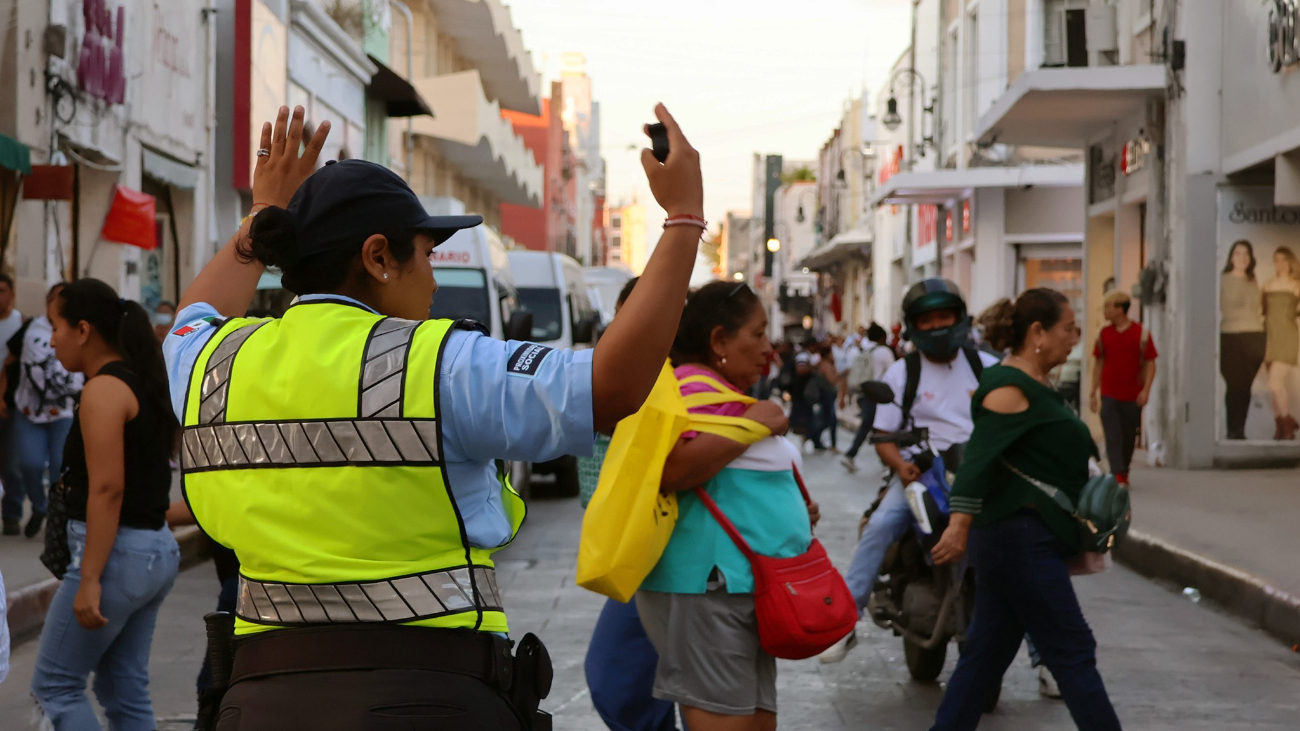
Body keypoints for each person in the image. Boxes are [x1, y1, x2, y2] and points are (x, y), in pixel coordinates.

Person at [164, 104, 704, 729]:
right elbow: (609, 389)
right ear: (378, 256)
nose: (433, 281)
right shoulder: (440, 363)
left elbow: (192, 314)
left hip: (262, 702)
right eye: (425, 254)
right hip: (430, 697)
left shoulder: (212, 363)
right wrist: (683, 220)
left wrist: (261, 218)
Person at [927, 289, 1122, 731]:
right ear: (1038, 332)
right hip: (1019, 539)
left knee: (985, 655)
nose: (1074, 337)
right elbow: (977, 460)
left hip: (1018, 538)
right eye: (1068, 328)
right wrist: (958, 525)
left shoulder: (1033, 383)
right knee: (1072, 649)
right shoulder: (1008, 388)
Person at [637, 280, 814, 731]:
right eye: (757, 333)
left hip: (741, 585)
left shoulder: (718, 394)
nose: (768, 347)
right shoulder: (691, 389)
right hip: (707, 584)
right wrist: (756, 421)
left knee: (757, 722)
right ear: (719, 340)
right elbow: (676, 469)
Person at [819, 279, 998, 664]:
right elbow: (883, 436)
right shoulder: (902, 373)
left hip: (982, 477)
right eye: (927, 319)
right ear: (914, 325)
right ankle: (845, 623)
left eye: (944, 316)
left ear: (959, 318)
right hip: (924, 475)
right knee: (881, 525)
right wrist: (901, 466)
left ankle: (1045, 658)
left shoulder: (989, 368)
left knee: (1025, 547)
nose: (936, 326)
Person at [30, 279, 181, 730]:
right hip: (154, 551)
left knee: (55, 686)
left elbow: (108, 488)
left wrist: (90, 578)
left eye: (55, 326)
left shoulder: (104, 390)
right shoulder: (142, 381)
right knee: (123, 688)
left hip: (116, 556)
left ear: (83, 330)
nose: (51, 340)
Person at [583, 276, 688, 731]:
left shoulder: (681, 385)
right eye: (621, 318)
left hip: (674, 555)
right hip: (639, 552)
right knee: (621, 683)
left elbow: (676, 468)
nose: (623, 331)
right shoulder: (616, 378)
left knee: (622, 682)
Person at [4, 283, 84, 539]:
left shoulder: (81, 329)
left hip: (63, 414)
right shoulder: (31, 329)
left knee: (61, 465)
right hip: (29, 412)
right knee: (30, 464)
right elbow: (11, 362)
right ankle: (39, 507)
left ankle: (55, 513)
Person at [1088, 291, 1156, 483]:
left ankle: (1123, 470)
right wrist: (1093, 392)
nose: (1104, 311)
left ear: (1120, 308)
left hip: (1132, 395)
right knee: (1113, 434)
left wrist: (1146, 390)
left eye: (1107, 307)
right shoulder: (1104, 334)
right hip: (1109, 394)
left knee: (1128, 435)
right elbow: (1098, 363)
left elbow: (1150, 363)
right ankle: (1117, 473)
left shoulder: (1141, 334)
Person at [1220, 240, 1266, 440]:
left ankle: (1240, 430)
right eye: (1238, 253)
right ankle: (1232, 430)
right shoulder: (1223, 279)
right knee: (1234, 384)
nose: (1242, 257)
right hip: (1231, 336)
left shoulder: (1253, 280)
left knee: (1245, 386)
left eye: (1246, 253)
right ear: (1231, 257)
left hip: (1255, 336)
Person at [841, 323, 894, 474]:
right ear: (882, 337)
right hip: (879, 396)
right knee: (878, 427)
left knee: (871, 426)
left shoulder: (862, 350)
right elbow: (894, 372)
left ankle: (884, 461)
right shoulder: (884, 351)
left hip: (864, 394)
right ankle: (885, 461)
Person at [1262, 246, 1300, 440]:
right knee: (1272, 387)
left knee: (1274, 382)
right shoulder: (1267, 284)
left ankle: (1287, 426)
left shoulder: (1296, 285)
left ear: (1291, 261)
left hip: (1287, 336)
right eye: (1277, 259)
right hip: (1269, 336)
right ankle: (1280, 427)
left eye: (1284, 259)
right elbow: (1262, 310)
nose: (1280, 263)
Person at [0, 274, 26, 535]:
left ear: (12, 294)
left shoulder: (21, 324)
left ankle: (12, 514)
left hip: (11, 403)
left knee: (11, 464)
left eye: (2, 290)